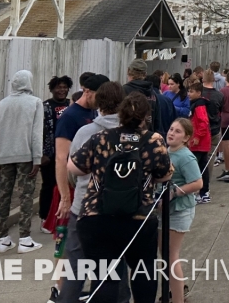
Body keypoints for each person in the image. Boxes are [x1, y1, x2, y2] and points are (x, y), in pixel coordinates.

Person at [69, 92, 173, 303]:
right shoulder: (154, 141)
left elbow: (73, 167)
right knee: (143, 272)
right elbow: (165, 175)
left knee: (104, 277)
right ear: (146, 116)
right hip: (139, 218)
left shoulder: (100, 138)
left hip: (97, 215)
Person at [57, 81, 125, 303]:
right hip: (121, 208)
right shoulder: (135, 134)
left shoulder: (85, 132)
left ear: (99, 104)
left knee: (76, 265)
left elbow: (71, 170)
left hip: (85, 206)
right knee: (116, 265)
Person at [0, 70, 44, 254]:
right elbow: (36, 133)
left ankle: (3, 238)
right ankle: (25, 238)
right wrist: (37, 158)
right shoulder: (35, 102)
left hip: (5, 155)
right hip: (26, 156)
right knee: (26, 196)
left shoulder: (2, 104)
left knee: (3, 196)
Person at [53, 74, 107, 226]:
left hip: (90, 188)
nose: (102, 100)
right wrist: (65, 198)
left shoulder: (95, 113)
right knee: (67, 238)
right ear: (87, 92)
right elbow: (61, 158)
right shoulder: (69, 117)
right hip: (72, 185)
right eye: (100, 96)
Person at [164, 118, 202, 303]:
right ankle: (175, 289)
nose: (171, 133)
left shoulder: (185, 157)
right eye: (171, 129)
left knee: (171, 256)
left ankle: (178, 299)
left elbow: (198, 183)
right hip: (165, 211)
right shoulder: (166, 152)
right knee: (165, 255)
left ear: (186, 138)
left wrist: (174, 192)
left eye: (177, 131)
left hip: (180, 211)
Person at [40, 76, 73, 225]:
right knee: (49, 185)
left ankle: (62, 217)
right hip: (49, 155)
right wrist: (42, 153)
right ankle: (45, 217)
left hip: (68, 153)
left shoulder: (71, 105)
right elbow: (39, 131)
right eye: (59, 87)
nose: (62, 90)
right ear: (52, 89)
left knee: (65, 186)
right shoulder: (45, 106)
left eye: (65, 87)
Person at [122, 59, 176, 137]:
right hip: (148, 139)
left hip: (127, 139)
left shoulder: (124, 91)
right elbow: (157, 122)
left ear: (128, 71)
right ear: (145, 74)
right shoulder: (152, 93)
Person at [187, 82, 212, 204]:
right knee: (201, 166)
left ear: (198, 93)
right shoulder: (195, 104)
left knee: (198, 167)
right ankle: (203, 192)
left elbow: (203, 122)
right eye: (189, 91)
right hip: (199, 141)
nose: (189, 94)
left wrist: (197, 137)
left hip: (199, 142)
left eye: (191, 92)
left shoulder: (199, 106)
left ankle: (202, 191)